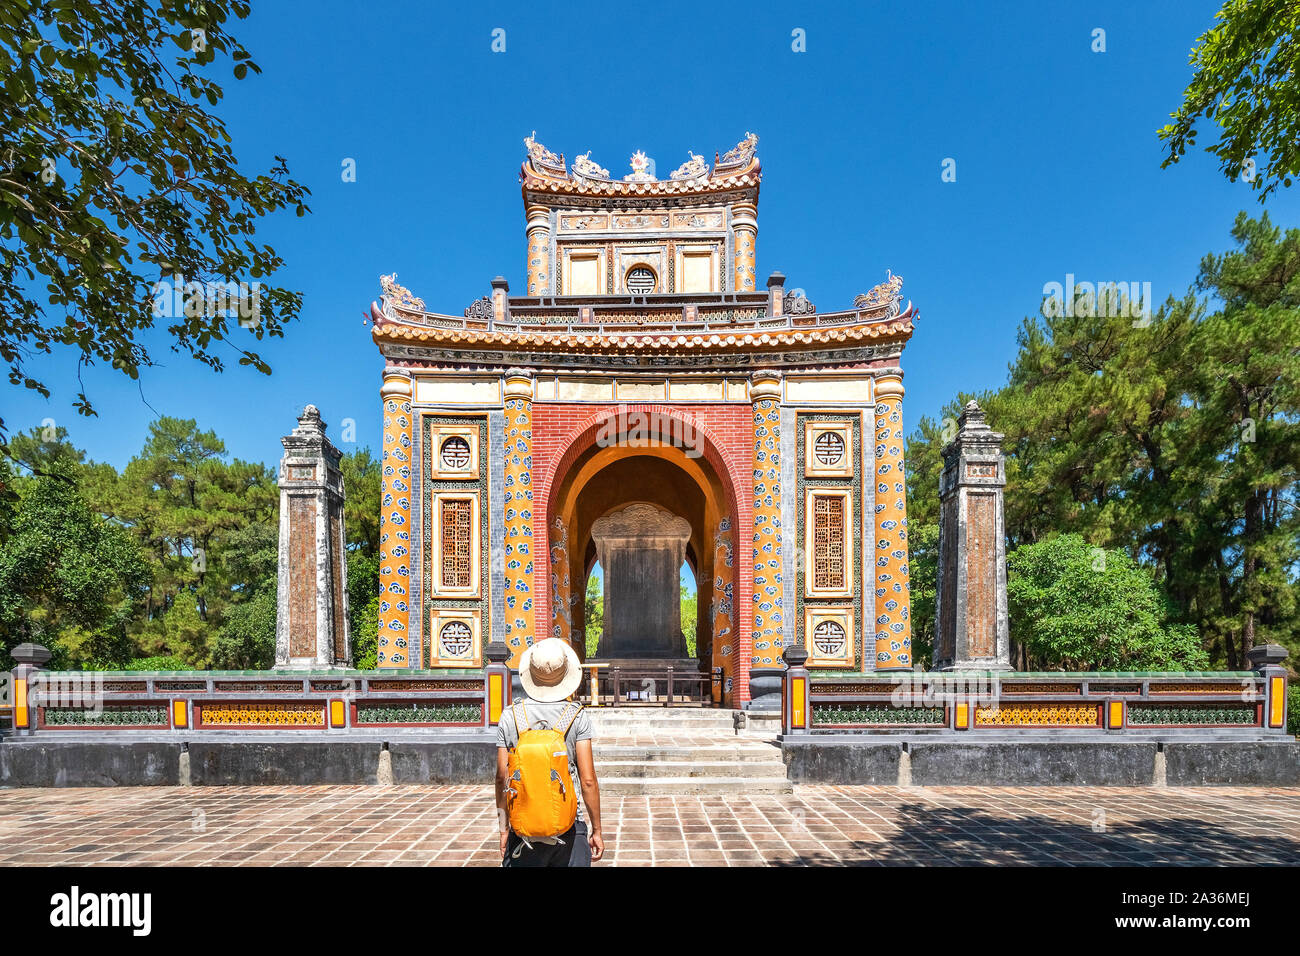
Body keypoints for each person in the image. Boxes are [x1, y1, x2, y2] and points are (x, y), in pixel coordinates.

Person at [495, 639, 604, 866]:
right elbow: (588, 780)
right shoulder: (576, 716)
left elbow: (502, 778)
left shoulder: (510, 716)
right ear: (565, 674)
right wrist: (597, 829)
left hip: (523, 827)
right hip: (569, 825)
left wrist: (504, 828)